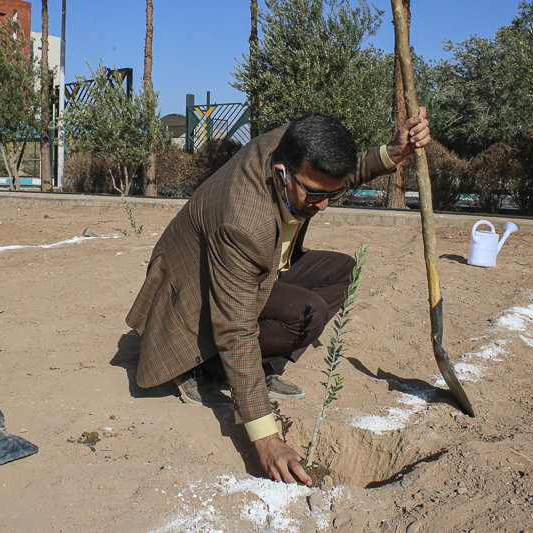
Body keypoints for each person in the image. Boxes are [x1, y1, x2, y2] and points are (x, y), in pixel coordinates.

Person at [127, 108, 431, 485]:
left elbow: (336, 173)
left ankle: (261, 367)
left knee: (341, 271)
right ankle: (201, 367)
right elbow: (236, 329)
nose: (324, 205)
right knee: (307, 312)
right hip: (193, 296)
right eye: (315, 195)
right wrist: (268, 441)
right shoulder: (243, 221)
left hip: (261, 267)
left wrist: (392, 153)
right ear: (281, 174)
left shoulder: (297, 144)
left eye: (333, 194)